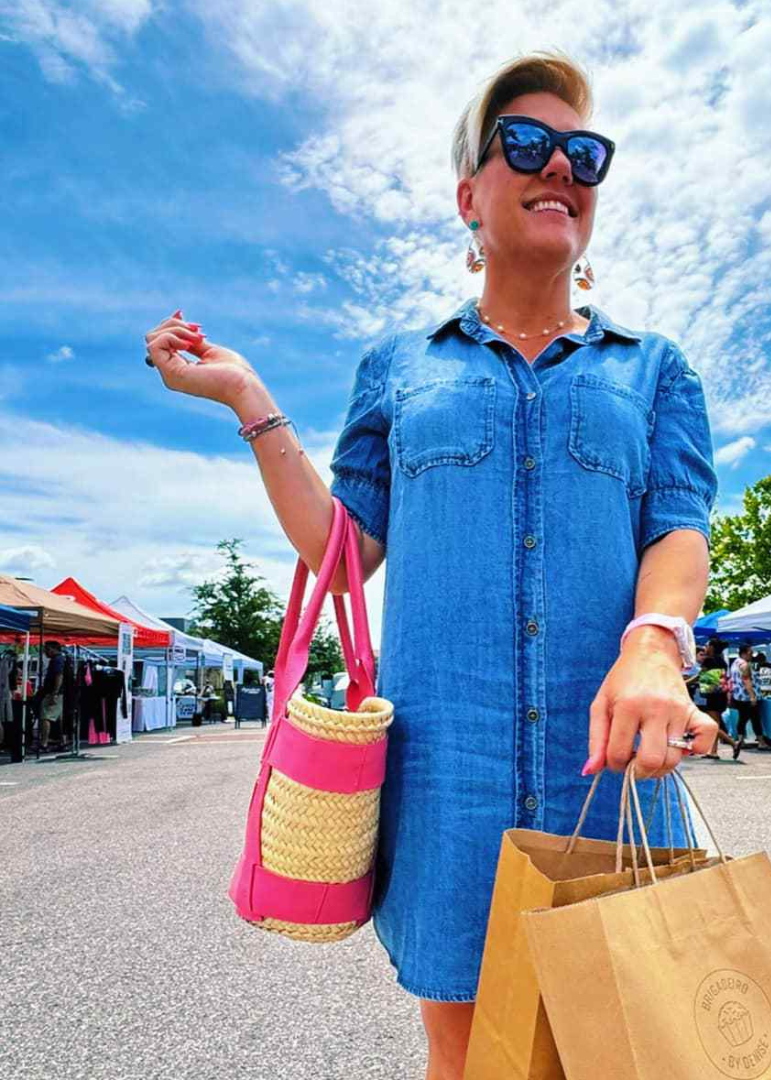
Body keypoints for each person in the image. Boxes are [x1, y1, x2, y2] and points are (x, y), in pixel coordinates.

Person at [145, 51, 720, 1080]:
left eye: (584, 153)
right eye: (528, 145)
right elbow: (339, 551)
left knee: (615, 1047)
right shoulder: (400, 366)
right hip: (446, 778)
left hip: (609, 771)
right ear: (470, 193)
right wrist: (247, 399)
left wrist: (655, 645)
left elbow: (678, 528)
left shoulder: (654, 368)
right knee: (468, 1051)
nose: (561, 168)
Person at [695, 649, 742, 760]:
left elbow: (698, 678)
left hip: (711, 698)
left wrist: (684, 682)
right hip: (721, 697)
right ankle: (713, 751)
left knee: (713, 725)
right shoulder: (721, 664)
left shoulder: (707, 663)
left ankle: (733, 743)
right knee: (716, 724)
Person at [730, 642, 763, 748]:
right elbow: (747, 681)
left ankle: (741, 740)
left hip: (738, 696)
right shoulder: (744, 665)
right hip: (746, 697)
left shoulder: (735, 663)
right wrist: (752, 696)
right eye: (751, 652)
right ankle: (760, 742)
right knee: (753, 718)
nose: (752, 655)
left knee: (744, 718)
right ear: (746, 653)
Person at [35, 641, 65, 751]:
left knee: (45, 717)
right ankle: (62, 741)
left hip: (53, 693)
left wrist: (54, 693)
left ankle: (44, 743)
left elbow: (59, 676)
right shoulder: (59, 659)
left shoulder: (57, 660)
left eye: (46, 649)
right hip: (56, 692)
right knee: (58, 718)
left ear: (52, 649)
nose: (45, 652)